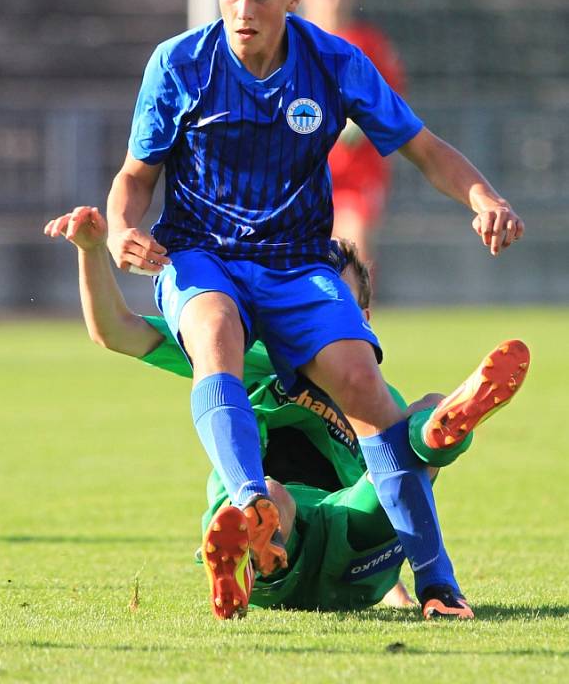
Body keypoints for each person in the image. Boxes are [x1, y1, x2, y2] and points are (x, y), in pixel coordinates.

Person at [104, 0, 525, 619]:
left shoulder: (334, 62)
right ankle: (247, 507)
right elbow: (134, 177)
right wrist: (120, 230)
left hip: (299, 263)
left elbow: (421, 146)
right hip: (203, 254)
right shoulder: (178, 64)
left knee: (363, 383)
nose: (245, 10)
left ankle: (438, 585)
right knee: (214, 336)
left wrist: (482, 194)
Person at [44, 206, 529, 619]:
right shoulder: (237, 352)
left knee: (408, 430)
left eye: (333, 302)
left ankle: (437, 428)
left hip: (349, 549)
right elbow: (115, 330)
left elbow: (398, 504)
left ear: (362, 318)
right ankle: (433, 435)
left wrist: (395, 579)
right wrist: (91, 250)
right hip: (311, 550)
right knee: (279, 494)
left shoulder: (369, 391)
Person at [302, 0, 406, 266]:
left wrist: (359, 120)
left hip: (356, 176)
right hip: (302, 176)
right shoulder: (292, 43)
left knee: (353, 252)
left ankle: (358, 314)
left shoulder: (368, 45)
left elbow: (393, 104)